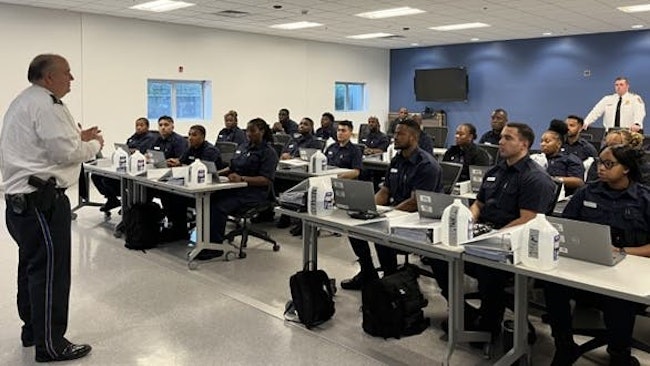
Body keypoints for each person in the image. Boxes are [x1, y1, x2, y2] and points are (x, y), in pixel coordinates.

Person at [0, 54, 102, 362]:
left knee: (31, 268)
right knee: (50, 273)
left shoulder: (24, 102)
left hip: (21, 203)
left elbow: (42, 145)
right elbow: (64, 152)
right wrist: (93, 145)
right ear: (48, 78)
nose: (72, 79)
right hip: (41, 203)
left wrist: (75, 137)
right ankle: (52, 344)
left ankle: (33, 331)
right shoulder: (48, 104)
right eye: (67, 74)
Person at [430, 122, 556, 341]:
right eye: (502, 138)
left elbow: (527, 220)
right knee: (438, 254)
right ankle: (464, 311)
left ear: (524, 144)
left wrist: (489, 239)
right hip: (484, 234)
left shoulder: (535, 178)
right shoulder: (496, 171)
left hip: (511, 245)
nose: (501, 142)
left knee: (489, 271)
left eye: (508, 138)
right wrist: (467, 223)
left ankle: (489, 323)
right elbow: (478, 204)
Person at [545, 144, 650, 366]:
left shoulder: (644, 199)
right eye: (599, 163)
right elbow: (565, 227)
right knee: (552, 285)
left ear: (626, 169)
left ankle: (619, 352)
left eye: (608, 164)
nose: (600, 168)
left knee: (619, 298)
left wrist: (622, 251)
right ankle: (564, 344)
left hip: (628, 275)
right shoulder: (587, 192)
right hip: (587, 269)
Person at [341, 119, 443, 290]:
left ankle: (390, 283)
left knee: (381, 230)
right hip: (397, 213)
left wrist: (386, 214)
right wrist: (368, 207)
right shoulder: (397, 160)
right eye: (395, 133)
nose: (394, 137)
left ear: (413, 138)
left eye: (400, 134)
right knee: (354, 227)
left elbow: (415, 202)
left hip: (419, 219)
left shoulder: (426, 165)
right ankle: (368, 273)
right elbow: (385, 192)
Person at [196, 118, 279, 260]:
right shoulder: (244, 146)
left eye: (252, 131)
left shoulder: (268, 152)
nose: (248, 134)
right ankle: (205, 242)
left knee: (218, 206)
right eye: (247, 131)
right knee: (209, 199)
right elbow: (232, 167)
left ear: (262, 132)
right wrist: (216, 173)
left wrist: (242, 179)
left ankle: (216, 247)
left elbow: (266, 180)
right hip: (236, 188)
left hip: (254, 193)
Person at [161, 125, 224, 241]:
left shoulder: (210, 150)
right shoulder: (191, 148)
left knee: (177, 198)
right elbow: (182, 161)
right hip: (191, 185)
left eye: (194, 135)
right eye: (189, 135)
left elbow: (204, 171)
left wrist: (182, 166)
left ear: (203, 137)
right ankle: (178, 229)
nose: (190, 138)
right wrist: (176, 162)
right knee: (169, 194)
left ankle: (183, 231)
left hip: (210, 189)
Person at [91, 117, 156, 212]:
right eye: (137, 125)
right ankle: (112, 199)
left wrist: (133, 151)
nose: (138, 127)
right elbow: (127, 148)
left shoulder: (151, 138)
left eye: (141, 125)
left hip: (139, 167)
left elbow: (141, 152)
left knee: (108, 180)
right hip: (127, 165)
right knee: (96, 176)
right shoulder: (134, 137)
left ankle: (128, 204)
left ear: (147, 127)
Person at [537, 120, 585, 196]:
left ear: (558, 144)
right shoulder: (537, 158)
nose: (542, 144)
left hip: (561, 199)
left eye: (547, 141)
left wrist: (554, 180)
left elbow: (578, 182)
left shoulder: (570, 159)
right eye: (541, 141)